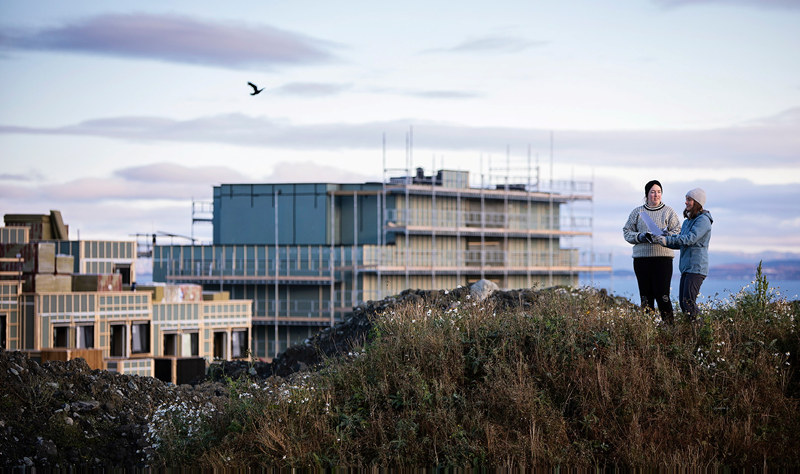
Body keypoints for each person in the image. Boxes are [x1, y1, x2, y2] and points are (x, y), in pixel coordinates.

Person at [623, 180, 681, 323]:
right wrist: (640, 236)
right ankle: (648, 330)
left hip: (663, 259)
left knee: (663, 295)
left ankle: (669, 328)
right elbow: (626, 232)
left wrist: (666, 235)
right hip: (641, 259)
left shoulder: (669, 211)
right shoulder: (637, 212)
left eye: (659, 192)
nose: (656, 195)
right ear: (647, 194)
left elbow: (678, 231)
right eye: (653, 192)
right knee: (645, 296)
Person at [653, 188, 713, 321]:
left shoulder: (703, 220)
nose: (685, 202)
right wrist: (663, 239)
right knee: (684, 304)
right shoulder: (687, 222)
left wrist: (667, 239)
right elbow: (680, 242)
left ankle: (703, 330)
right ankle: (693, 333)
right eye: (686, 199)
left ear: (697, 202)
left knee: (688, 304)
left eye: (689, 200)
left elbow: (689, 239)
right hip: (686, 268)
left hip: (696, 268)